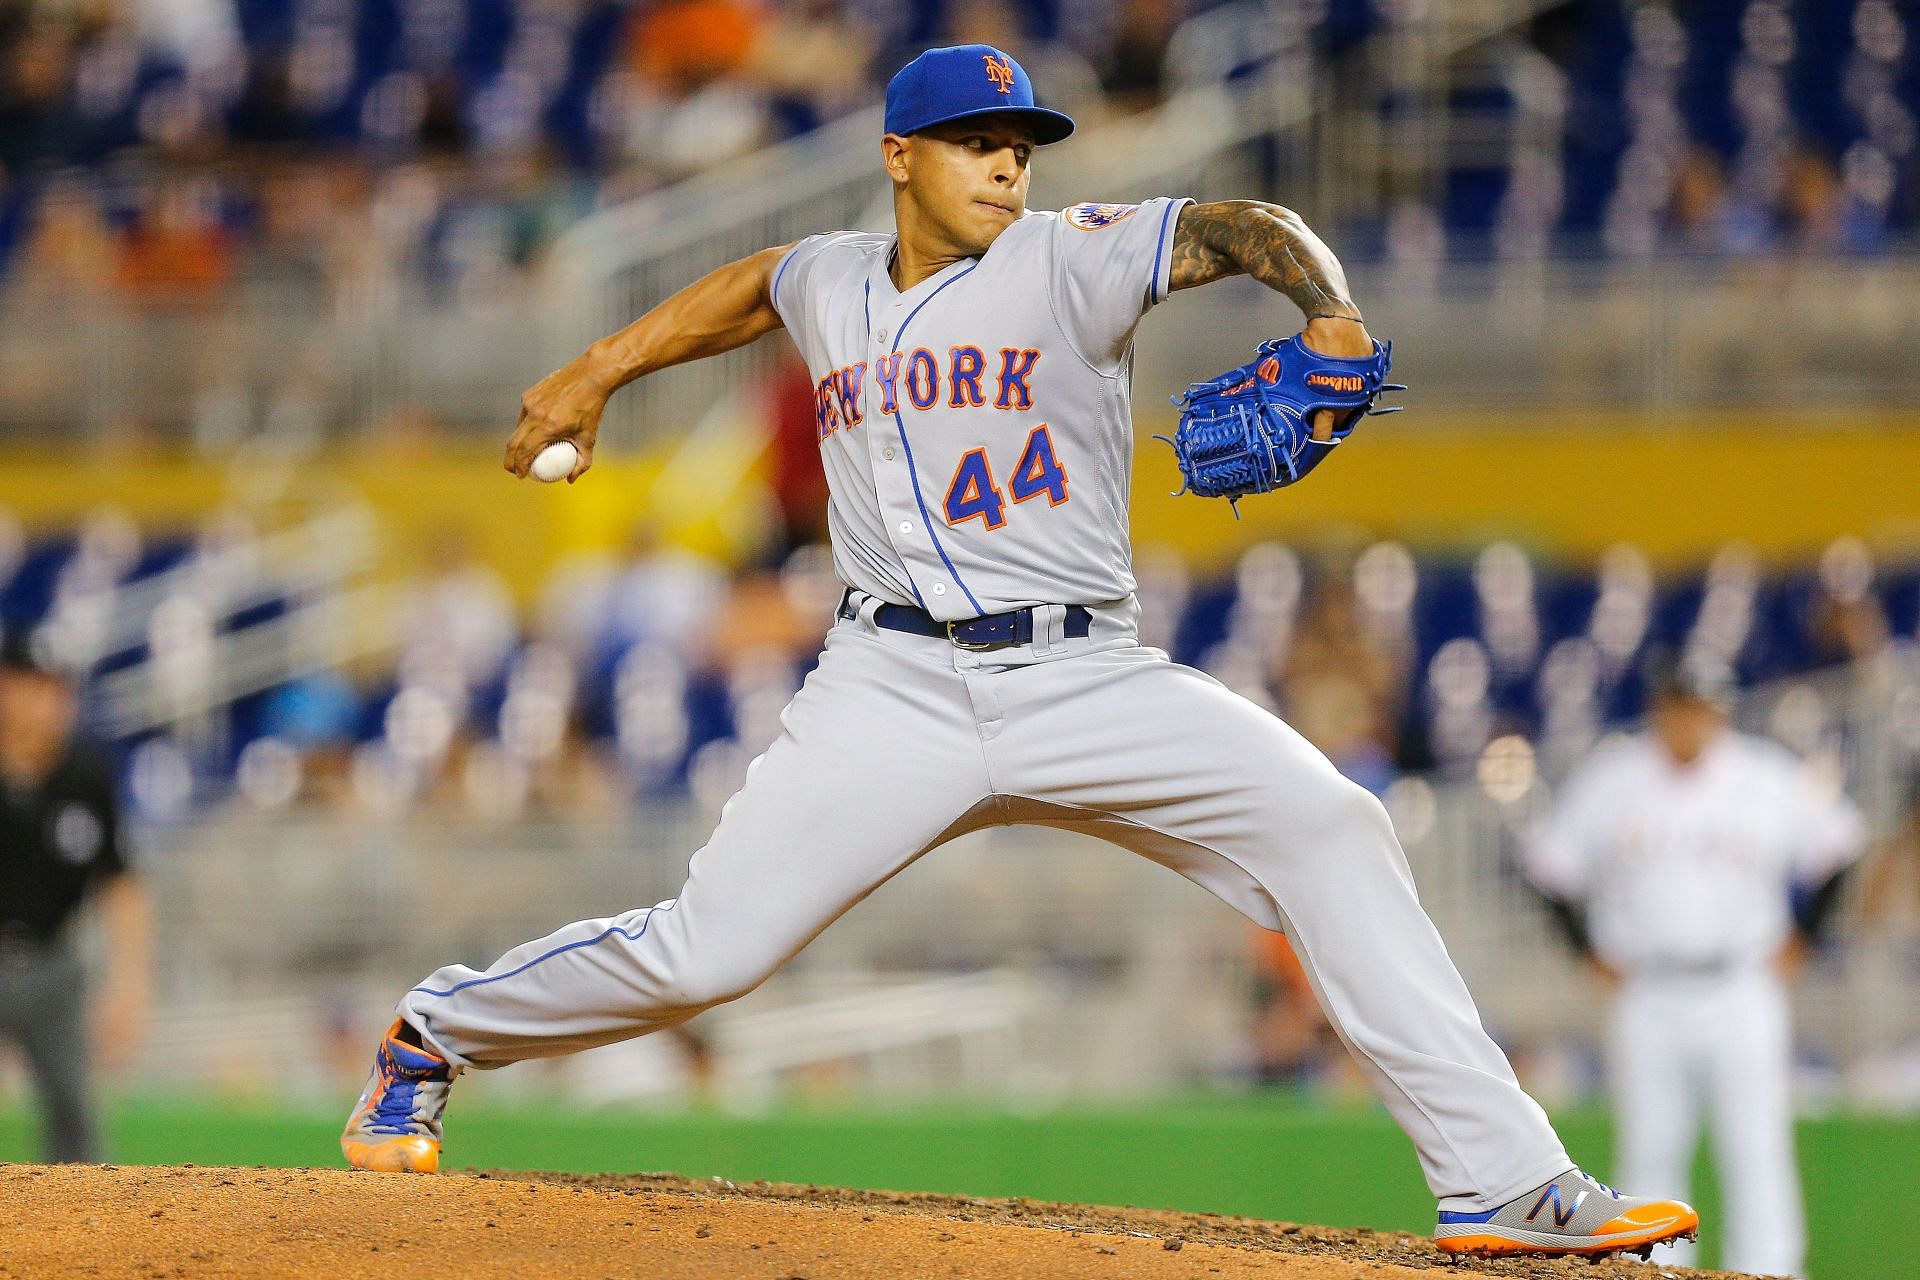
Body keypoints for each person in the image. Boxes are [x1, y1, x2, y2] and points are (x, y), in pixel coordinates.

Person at [342, 44, 1699, 1260]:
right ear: (897, 156)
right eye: (976, 142)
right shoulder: (830, 278)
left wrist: (1326, 314)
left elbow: (1244, 226)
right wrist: (598, 369)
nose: (1007, 163)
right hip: (891, 688)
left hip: (1085, 677)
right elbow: (752, 287)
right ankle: (435, 1034)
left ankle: (1506, 1184)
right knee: (709, 952)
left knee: (1333, 825)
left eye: (1021, 144)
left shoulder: (1070, 254)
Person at [1526, 657, 1864, 1276]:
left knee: (1756, 1144)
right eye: (1679, 705)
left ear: (1720, 711)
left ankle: (1772, 1271)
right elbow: (1548, 866)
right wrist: (1585, 951)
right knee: (1650, 1148)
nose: (1689, 720)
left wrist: (1803, 938)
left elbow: (1841, 846)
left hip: (1741, 984)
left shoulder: (1763, 775)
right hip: (1648, 987)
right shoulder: (1615, 778)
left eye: (1701, 706)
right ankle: (1655, 1272)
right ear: (1660, 709)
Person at [0, 626, 151, 1162]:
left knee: (75, 1121)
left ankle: (81, 1242)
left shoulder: (85, 776)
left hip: (53, 964)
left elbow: (120, 882)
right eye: (30, 686)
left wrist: (128, 983)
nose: (45, 702)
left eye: (55, 688)